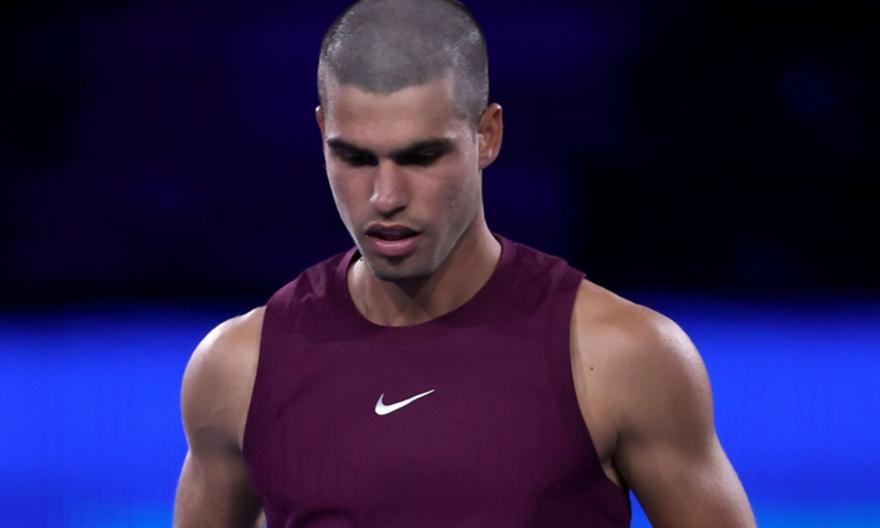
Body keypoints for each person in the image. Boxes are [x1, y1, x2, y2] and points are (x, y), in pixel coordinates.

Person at [173, 0, 756, 526]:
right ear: (323, 132)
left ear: (487, 135)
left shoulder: (624, 357)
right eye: (354, 157)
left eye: (422, 156)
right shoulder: (237, 369)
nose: (385, 196)